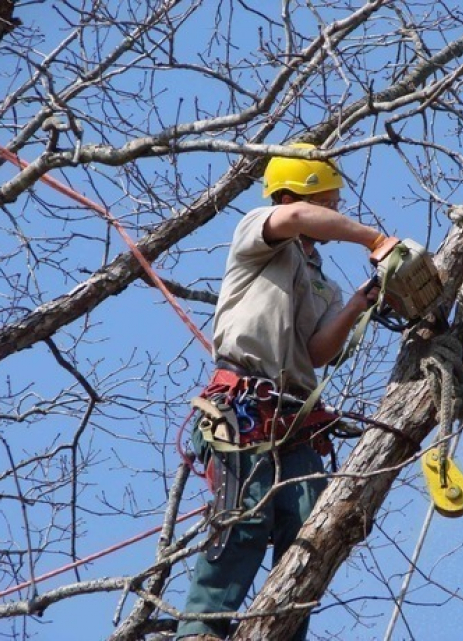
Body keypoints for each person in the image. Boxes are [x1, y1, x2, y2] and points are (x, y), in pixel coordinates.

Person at [176, 143, 386, 641]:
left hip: (295, 418)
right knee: (245, 520)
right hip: (243, 406)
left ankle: (284, 632)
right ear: (295, 195)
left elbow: (316, 352)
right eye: (327, 204)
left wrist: (359, 302)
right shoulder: (260, 231)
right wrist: (375, 238)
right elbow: (292, 216)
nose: (332, 214)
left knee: (309, 532)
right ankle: (201, 629)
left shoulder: (322, 283)